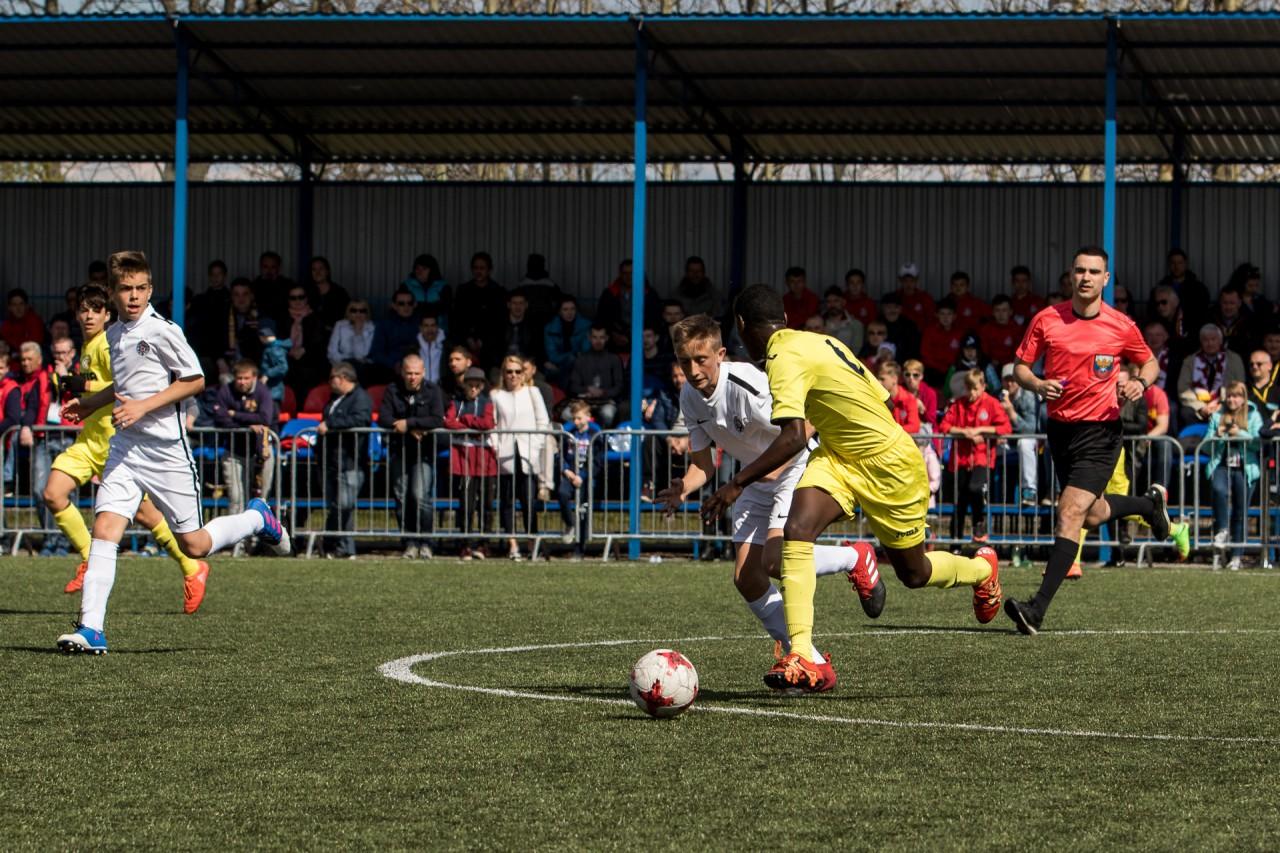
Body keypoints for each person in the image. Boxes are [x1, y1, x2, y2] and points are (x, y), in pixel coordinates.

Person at [702, 284, 1001, 693]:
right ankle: (803, 655)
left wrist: (736, 483)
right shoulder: (819, 341)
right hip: (840, 457)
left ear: (740, 326)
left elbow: (793, 437)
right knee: (797, 530)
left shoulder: (781, 356)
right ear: (784, 320)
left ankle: (983, 569)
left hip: (890, 466)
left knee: (915, 573)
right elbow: (880, 396)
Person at [55, 252, 291, 655]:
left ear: (150, 289)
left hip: (167, 453)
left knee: (194, 545)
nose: (134, 296)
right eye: (125, 289)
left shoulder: (163, 330)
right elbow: (125, 386)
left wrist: (144, 407)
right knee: (104, 530)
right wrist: (92, 403)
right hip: (126, 449)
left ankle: (257, 517)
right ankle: (91, 629)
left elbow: (195, 380)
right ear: (112, 292)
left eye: (141, 288)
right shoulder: (114, 334)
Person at [657, 315, 879, 680]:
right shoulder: (689, 397)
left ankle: (855, 557)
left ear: (720, 354)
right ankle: (808, 660)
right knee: (747, 577)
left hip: (796, 466)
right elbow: (703, 465)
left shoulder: (748, 385)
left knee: (775, 561)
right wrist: (683, 487)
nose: (693, 370)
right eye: (685, 361)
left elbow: (804, 426)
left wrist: (745, 482)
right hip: (754, 477)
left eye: (701, 359)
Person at [1004, 246, 1172, 636]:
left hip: (1101, 432)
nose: (1086, 277)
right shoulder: (1047, 319)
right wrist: (1037, 384)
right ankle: (1148, 505)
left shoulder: (1120, 325)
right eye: (1080, 270)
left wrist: (1140, 382)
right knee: (1091, 513)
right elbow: (1021, 367)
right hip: (1060, 430)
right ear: (1071, 275)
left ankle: (1036, 609)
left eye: (1094, 272)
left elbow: (1150, 362)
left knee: (1069, 512)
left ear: (1105, 279)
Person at [379, 353, 445, 560]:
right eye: (409, 373)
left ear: (424, 372)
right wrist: (407, 427)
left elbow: (437, 419)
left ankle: (426, 542)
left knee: (420, 496)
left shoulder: (433, 391)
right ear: (402, 372)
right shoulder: (392, 390)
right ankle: (409, 542)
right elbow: (383, 417)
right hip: (399, 451)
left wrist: (408, 424)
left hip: (423, 453)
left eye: (416, 373)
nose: (413, 377)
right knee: (401, 497)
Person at [939, 369, 1012, 543]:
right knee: (960, 501)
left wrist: (981, 430)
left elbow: (1005, 428)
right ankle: (955, 542)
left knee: (975, 489)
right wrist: (964, 432)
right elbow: (944, 426)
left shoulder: (992, 403)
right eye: (968, 388)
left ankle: (979, 523)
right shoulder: (958, 404)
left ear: (983, 386)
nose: (972, 393)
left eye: (975, 389)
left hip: (982, 458)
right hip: (960, 460)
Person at [492, 355, 551, 560]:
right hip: (506, 453)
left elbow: (543, 422)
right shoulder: (497, 395)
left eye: (518, 371)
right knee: (507, 501)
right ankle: (513, 544)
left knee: (528, 501)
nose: (514, 375)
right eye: (509, 371)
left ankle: (532, 543)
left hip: (528, 453)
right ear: (503, 374)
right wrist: (496, 447)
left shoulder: (533, 392)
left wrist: (536, 446)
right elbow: (493, 424)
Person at [210, 359, 277, 526]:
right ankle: (237, 538)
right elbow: (219, 418)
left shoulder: (262, 392)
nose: (242, 382)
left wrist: (234, 414)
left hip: (261, 452)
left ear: (254, 377)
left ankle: (258, 535)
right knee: (236, 498)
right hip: (234, 452)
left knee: (261, 499)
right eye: (239, 378)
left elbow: (265, 418)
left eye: (246, 378)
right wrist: (248, 425)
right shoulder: (226, 391)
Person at [317, 361, 372, 559]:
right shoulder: (334, 399)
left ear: (343, 378)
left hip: (350, 461)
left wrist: (331, 424)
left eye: (332, 378)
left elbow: (361, 420)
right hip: (331, 461)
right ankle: (344, 548)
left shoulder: (360, 398)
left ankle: (328, 540)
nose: (329, 382)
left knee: (344, 505)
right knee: (337, 506)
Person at [1205, 381, 1262, 571]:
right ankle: (1222, 530)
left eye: (1236, 396)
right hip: (1221, 466)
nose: (1232, 400)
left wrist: (1240, 434)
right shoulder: (1217, 416)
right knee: (1218, 490)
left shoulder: (1253, 415)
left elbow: (1258, 443)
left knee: (1240, 511)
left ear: (1244, 398)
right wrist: (1217, 435)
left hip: (1245, 468)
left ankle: (1236, 556)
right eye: (1229, 396)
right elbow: (1205, 447)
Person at [443, 366, 497, 560]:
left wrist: (466, 419)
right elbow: (449, 422)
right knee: (466, 503)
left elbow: (487, 424)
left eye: (477, 386)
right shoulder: (456, 402)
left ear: (482, 386)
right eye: (470, 385)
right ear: (464, 385)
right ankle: (464, 543)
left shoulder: (487, 403)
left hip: (485, 457)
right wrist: (473, 425)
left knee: (486, 503)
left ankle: (484, 543)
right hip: (463, 457)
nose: (473, 389)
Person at [1176, 324, 1245, 426]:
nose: (1210, 343)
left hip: (1226, 403)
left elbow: (1240, 386)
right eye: (1205, 340)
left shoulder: (1234, 359)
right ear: (1201, 342)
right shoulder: (1190, 361)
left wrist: (1220, 404)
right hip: (1197, 406)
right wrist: (1201, 407)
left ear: (1220, 341)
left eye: (1213, 339)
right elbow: (1183, 389)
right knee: (1185, 413)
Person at [558, 400, 602, 560]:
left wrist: (582, 476)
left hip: (586, 477)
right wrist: (566, 470)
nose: (576, 422)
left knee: (582, 511)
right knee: (562, 494)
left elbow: (597, 461)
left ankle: (579, 548)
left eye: (579, 418)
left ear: (588, 417)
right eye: (574, 418)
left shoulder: (595, 434)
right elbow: (561, 454)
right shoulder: (569, 434)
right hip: (570, 474)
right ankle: (570, 524)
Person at [452, 252, 507, 367]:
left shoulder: (498, 292)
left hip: (491, 347)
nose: (478, 271)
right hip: (466, 344)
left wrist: (484, 340)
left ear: (489, 270)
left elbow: (499, 321)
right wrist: (468, 338)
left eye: (482, 268)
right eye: (475, 268)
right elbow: (457, 319)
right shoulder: (463, 291)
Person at [596, 259, 662, 353]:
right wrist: (613, 334)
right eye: (625, 273)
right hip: (614, 339)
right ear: (620, 274)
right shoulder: (609, 293)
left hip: (642, 339)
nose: (629, 276)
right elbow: (602, 318)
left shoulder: (649, 294)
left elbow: (655, 319)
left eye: (632, 273)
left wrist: (637, 335)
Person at [999, 363, 1040, 507]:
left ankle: (1029, 490)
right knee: (986, 444)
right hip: (1004, 441)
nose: (1010, 383)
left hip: (1028, 441)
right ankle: (982, 490)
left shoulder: (1028, 396)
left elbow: (1031, 429)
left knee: (1024, 443)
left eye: (1013, 380)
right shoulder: (998, 396)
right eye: (1006, 380)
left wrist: (1011, 413)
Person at [567, 325, 625, 427]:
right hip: (583, 401)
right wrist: (587, 389)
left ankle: (603, 436)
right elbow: (573, 386)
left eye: (601, 337)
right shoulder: (581, 359)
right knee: (567, 414)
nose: (598, 341)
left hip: (606, 401)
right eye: (595, 337)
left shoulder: (614, 359)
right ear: (589, 338)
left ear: (607, 338)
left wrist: (603, 392)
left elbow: (619, 386)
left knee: (608, 414)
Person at [282, 283, 328, 401]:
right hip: (287, 359)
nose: (297, 301)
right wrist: (289, 350)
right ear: (288, 300)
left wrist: (304, 349)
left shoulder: (316, 318)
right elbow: (278, 340)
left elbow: (319, 342)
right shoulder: (282, 318)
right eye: (293, 298)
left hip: (310, 362)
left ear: (306, 299)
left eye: (301, 297)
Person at [370, 287, 421, 381]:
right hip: (390, 369)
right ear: (394, 305)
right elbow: (376, 353)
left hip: (417, 367)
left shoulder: (422, 324)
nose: (406, 307)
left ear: (415, 305)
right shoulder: (384, 325)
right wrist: (393, 364)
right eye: (401, 303)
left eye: (409, 303)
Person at [543, 295, 592, 383]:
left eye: (572, 309)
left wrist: (573, 357)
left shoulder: (586, 326)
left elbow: (585, 351)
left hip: (579, 364)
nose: (570, 313)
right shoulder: (550, 328)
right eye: (565, 309)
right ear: (559, 312)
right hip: (557, 365)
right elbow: (552, 355)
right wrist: (572, 355)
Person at [327, 298, 377, 382]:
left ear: (367, 313)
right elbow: (331, 352)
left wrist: (358, 333)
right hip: (342, 364)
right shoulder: (340, 325)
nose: (358, 314)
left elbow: (362, 355)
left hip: (363, 366)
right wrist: (346, 362)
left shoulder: (371, 327)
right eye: (354, 310)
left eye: (362, 311)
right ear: (348, 312)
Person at [942, 333, 1001, 403]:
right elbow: (946, 392)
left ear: (978, 350)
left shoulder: (986, 366)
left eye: (973, 348)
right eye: (966, 349)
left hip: (983, 404)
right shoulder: (954, 368)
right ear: (962, 350)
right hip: (960, 404)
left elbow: (997, 388)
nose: (970, 352)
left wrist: (986, 386)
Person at [920, 297, 964, 387]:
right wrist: (942, 368)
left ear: (954, 316)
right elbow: (925, 354)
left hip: (954, 371)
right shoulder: (930, 331)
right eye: (942, 314)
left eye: (949, 314)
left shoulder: (960, 333)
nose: (945, 317)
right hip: (933, 371)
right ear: (936, 315)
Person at [402, 253, 452, 331]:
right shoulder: (407, 285)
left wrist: (418, 305)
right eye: (417, 268)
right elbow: (402, 307)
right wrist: (432, 306)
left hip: (438, 330)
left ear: (432, 270)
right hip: (412, 330)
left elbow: (444, 308)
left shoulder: (443, 287)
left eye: (424, 269)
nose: (419, 272)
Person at [516, 253, 562, 330]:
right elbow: (558, 302)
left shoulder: (522, 284)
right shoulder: (551, 284)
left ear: (528, 265)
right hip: (546, 319)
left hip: (528, 319)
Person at [250, 250, 296, 329]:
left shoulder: (288, 285)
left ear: (278, 268)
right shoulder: (253, 286)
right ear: (260, 267)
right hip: (259, 326)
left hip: (283, 326)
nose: (269, 270)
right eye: (265, 267)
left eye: (273, 267)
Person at [307, 256, 350, 335]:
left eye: (321, 269)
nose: (317, 272)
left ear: (327, 271)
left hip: (335, 333)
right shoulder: (305, 292)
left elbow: (347, 315)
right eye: (314, 269)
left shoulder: (339, 292)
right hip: (311, 334)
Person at [979, 295, 1023, 369]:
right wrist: (991, 361)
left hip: (1011, 366)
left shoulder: (1017, 330)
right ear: (992, 312)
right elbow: (983, 352)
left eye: (1004, 310)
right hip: (991, 366)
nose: (1001, 314)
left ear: (1010, 312)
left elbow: (1018, 354)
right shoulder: (986, 329)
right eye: (997, 310)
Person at [877, 361, 920, 434]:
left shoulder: (909, 399)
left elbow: (914, 427)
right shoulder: (879, 398)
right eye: (878, 379)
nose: (879, 382)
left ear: (894, 379)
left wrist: (891, 432)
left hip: (903, 439)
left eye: (882, 379)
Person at [891, 263, 935, 331]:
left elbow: (931, 321)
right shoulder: (894, 297)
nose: (908, 284)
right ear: (900, 280)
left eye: (912, 281)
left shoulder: (925, 298)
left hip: (920, 335)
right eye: (905, 281)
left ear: (917, 280)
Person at [878, 293, 920, 362]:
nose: (892, 310)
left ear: (901, 309)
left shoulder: (910, 326)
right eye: (888, 307)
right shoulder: (876, 324)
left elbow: (914, 352)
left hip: (904, 364)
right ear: (883, 308)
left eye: (896, 307)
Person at [2, 288, 45, 352]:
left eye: (21, 304)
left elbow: (34, 345)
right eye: (14, 305)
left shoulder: (34, 321)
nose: (18, 308)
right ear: (9, 307)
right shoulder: (7, 323)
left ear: (26, 306)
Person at [901, 358, 939, 428]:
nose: (911, 378)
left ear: (921, 376)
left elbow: (931, 420)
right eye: (907, 374)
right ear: (903, 376)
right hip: (904, 427)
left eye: (915, 375)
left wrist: (922, 409)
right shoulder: (899, 390)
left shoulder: (930, 393)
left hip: (924, 428)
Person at [415, 309, 446, 387]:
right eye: (426, 326)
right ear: (420, 328)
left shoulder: (446, 347)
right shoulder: (414, 349)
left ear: (437, 327)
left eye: (433, 325)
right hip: (420, 390)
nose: (430, 329)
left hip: (442, 390)